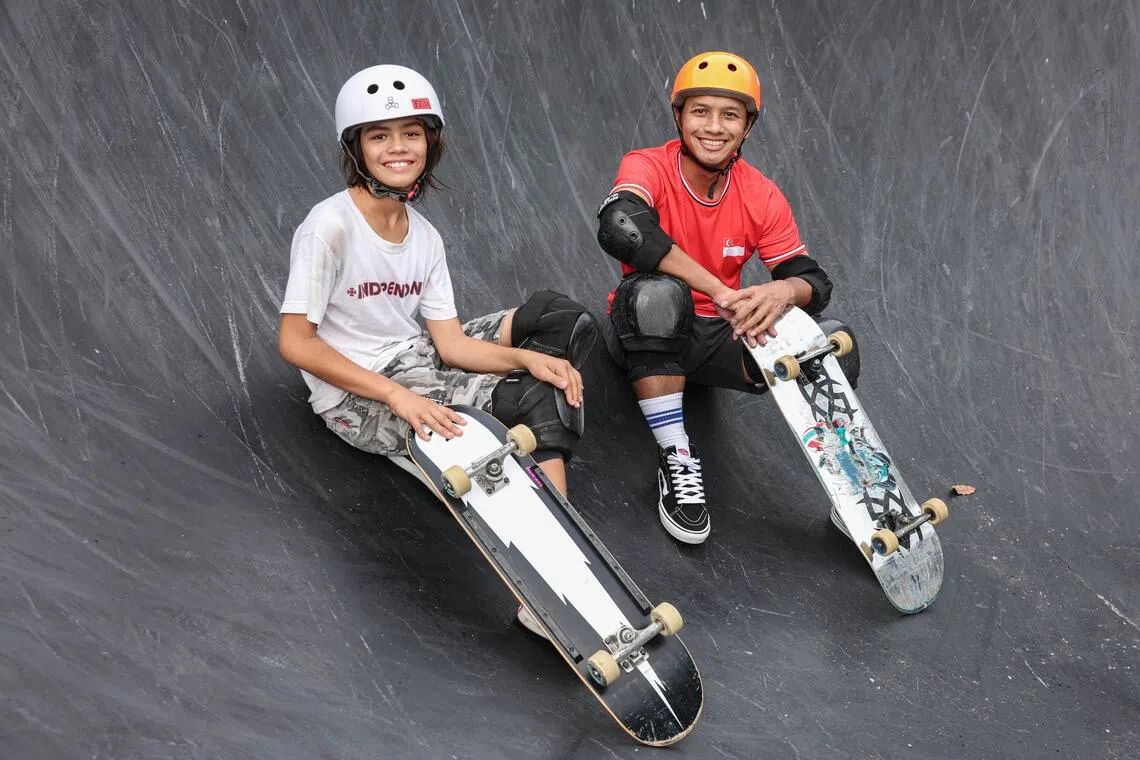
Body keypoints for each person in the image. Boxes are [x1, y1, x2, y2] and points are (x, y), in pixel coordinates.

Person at [278, 65, 597, 633]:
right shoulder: (329, 227)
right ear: (356, 147)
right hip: (360, 396)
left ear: (431, 141)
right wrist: (398, 396)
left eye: (410, 134)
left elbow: (450, 343)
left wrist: (526, 357)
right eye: (380, 136)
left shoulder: (424, 236)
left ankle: (528, 472)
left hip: (421, 357)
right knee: (541, 403)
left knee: (562, 324)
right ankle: (552, 583)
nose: (398, 148)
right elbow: (295, 341)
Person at [595, 51, 861, 545]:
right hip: (640, 330)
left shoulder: (759, 193)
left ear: (747, 127)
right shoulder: (647, 164)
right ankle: (676, 458)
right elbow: (621, 227)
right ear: (679, 117)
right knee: (658, 294)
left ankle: (851, 490)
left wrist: (784, 290)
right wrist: (719, 289)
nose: (713, 127)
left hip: (717, 338)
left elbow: (813, 281)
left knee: (829, 341)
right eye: (700, 112)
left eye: (729, 115)